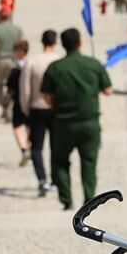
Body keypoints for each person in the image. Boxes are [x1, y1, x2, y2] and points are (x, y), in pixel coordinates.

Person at [40, 27, 112, 211]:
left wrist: (56, 106)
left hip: (64, 124)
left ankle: (66, 200)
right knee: (89, 162)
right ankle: (89, 200)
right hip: (89, 123)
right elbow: (108, 90)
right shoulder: (93, 64)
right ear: (80, 42)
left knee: (61, 161)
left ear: (62, 45)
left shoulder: (55, 67)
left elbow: (46, 95)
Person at [20, 29, 59, 198]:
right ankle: (56, 181)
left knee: (36, 147)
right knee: (56, 146)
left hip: (37, 107)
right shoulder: (59, 61)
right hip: (56, 109)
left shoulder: (32, 62)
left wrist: (25, 109)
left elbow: (24, 90)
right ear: (55, 42)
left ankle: (42, 179)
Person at [5, 39, 32, 166]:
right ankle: (29, 148)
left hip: (18, 101)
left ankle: (24, 149)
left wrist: (7, 99)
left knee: (17, 126)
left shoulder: (16, 69)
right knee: (29, 126)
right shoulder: (31, 65)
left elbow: (10, 88)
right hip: (31, 101)